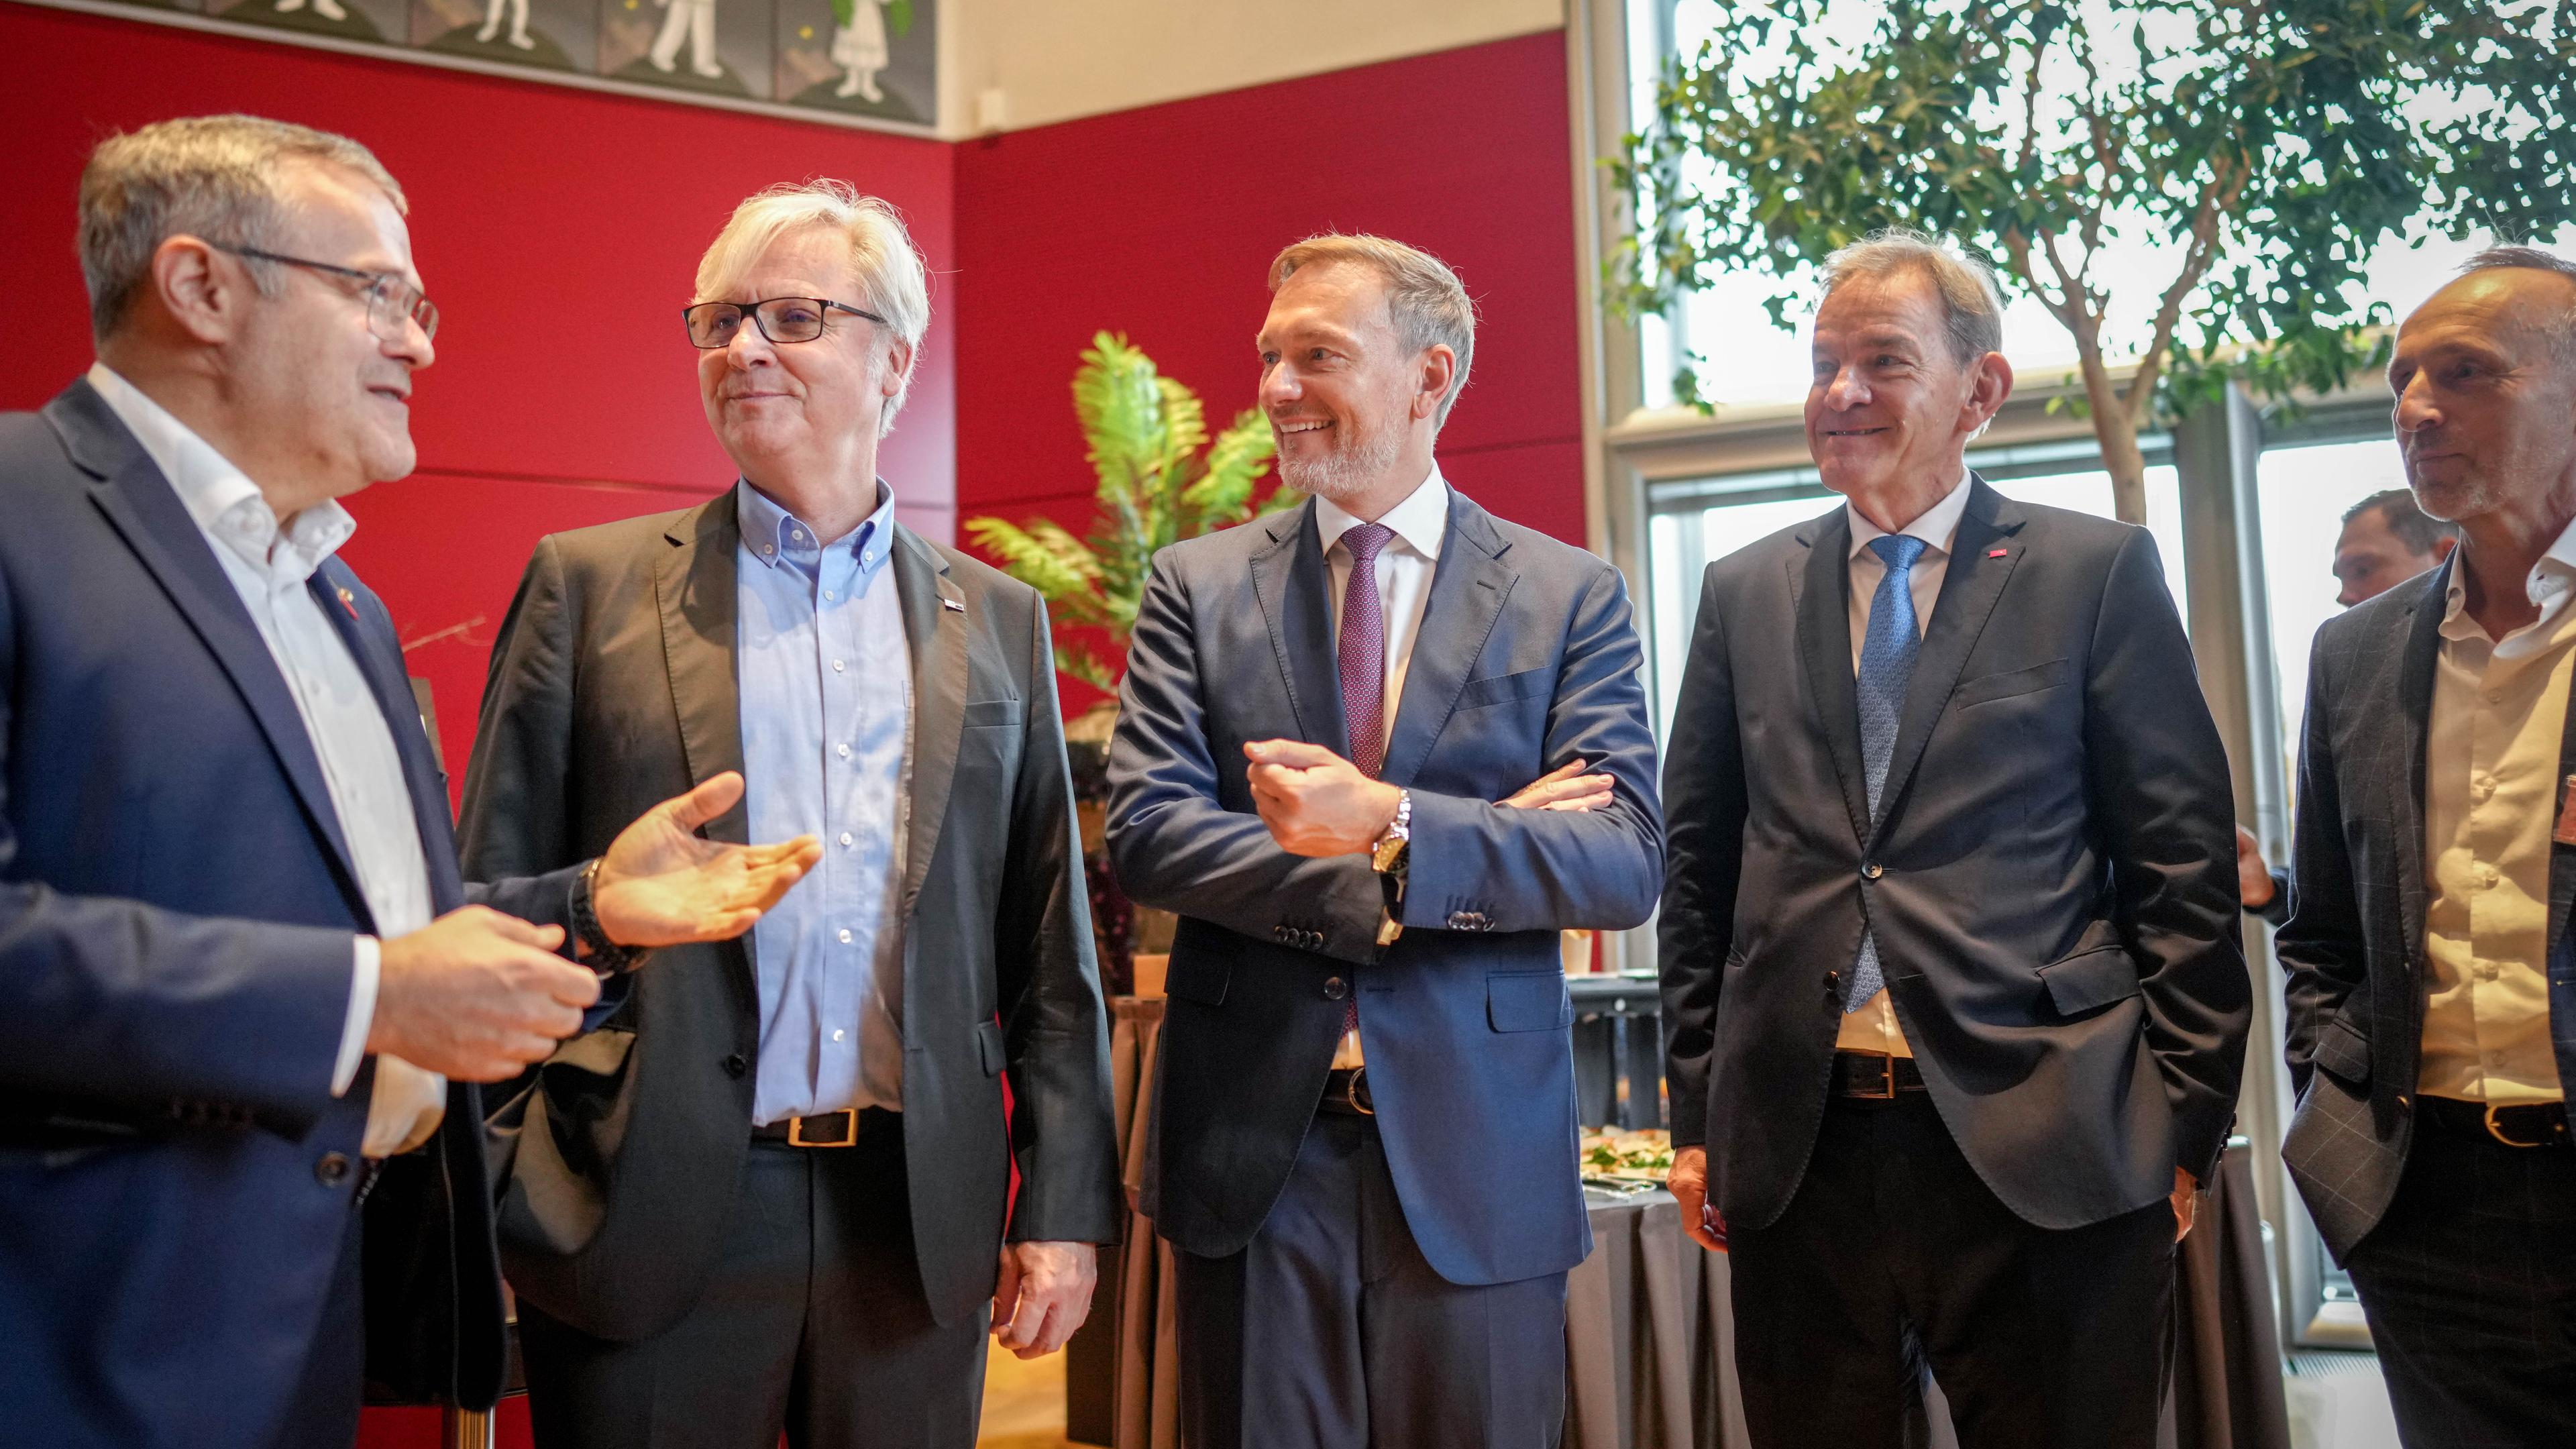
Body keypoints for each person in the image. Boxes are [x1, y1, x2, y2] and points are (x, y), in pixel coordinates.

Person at [0, 115, 818, 1449]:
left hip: (303, 1329)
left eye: (417, 301)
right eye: (376, 293)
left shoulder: (339, 598)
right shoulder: (17, 513)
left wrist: (598, 905)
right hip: (73, 1337)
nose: (422, 341)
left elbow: (387, 934)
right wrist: (372, 997)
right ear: (201, 287)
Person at [458, 180, 1120, 1449]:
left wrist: (1062, 1208)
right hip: (644, 1209)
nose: (744, 347)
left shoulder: (995, 620)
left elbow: (1053, 952)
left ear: (896, 362)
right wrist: (508, 1190)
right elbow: (487, 904)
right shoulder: (586, 590)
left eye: (795, 316)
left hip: (911, 1221)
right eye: (719, 319)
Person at [1657, 228, 2249, 1448]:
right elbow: (1700, 870)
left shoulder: (2096, 572)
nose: (1841, 393)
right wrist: (1695, 1116)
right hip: (1802, 1148)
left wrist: (2181, 1129)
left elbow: (2178, 867)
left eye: (1883, 360)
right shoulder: (1742, 587)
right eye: (1825, 363)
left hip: (2055, 1138)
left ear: (1980, 391)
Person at [1106, 233, 1663, 1448]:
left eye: (1319, 355)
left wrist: (1399, 822)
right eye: (1269, 356)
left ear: (1430, 377)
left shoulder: (1569, 594)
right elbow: (1150, 834)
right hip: (1252, 1152)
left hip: (1480, 1158)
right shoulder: (1195, 586)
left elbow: (1621, 858)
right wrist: (1418, 867)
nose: (1276, 389)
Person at [2277, 246, 2576, 1446]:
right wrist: (2338, 1104)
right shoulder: (2353, 656)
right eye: (2404, 378)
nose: (2415, 407)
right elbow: (2323, 933)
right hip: (2428, 1210)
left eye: (2465, 372)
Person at [2240, 488, 2459, 922]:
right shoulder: (2350, 696)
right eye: (2340, 579)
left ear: (2446, 556)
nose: (2344, 595)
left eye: (2362, 570)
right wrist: (2268, 890)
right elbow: (2342, 904)